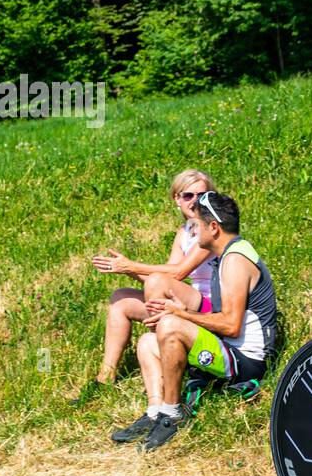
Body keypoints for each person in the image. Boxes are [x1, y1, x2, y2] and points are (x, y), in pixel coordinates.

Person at [113, 191, 279, 451]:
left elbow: (231, 325)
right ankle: (155, 412)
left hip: (245, 362)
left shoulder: (235, 260)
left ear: (213, 227)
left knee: (169, 324)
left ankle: (172, 414)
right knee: (147, 341)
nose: (193, 232)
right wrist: (182, 311)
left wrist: (181, 315)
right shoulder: (229, 255)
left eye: (197, 226)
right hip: (226, 348)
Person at [70, 169, 217, 405]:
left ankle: (164, 372)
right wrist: (128, 270)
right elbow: (170, 280)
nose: (194, 201)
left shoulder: (212, 228)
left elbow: (179, 272)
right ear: (176, 199)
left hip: (210, 305)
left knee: (156, 281)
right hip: (190, 298)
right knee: (121, 299)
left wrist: (132, 264)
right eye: (188, 195)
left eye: (202, 195)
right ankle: (104, 378)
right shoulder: (184, 232)